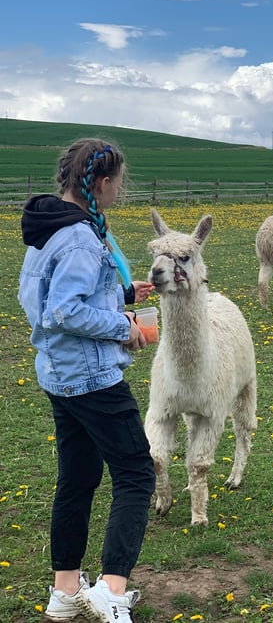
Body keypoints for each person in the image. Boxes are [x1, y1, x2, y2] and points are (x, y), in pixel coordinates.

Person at [17, 138, 156, 623]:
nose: (120, 191)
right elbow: (64, 309)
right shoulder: (78, 236)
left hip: (59, 375)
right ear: (101, 182)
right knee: (137, 474)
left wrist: (118, 291)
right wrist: (125, 326)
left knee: (76, 479)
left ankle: (65, 590)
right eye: (118, 183)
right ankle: (111, 590)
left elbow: (46, 295)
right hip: (92, 377)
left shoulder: (50, 228)